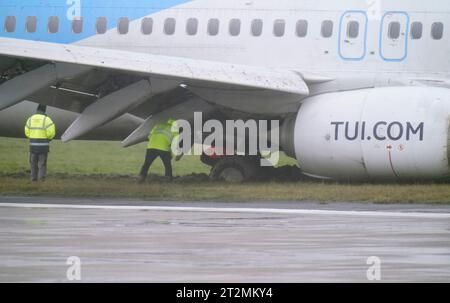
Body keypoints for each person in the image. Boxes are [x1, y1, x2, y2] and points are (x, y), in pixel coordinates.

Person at [24, 104, 56, 182]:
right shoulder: (47, 119)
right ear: (44, 110)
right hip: (43, 146)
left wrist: (32, 137)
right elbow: (51, 133)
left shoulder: (30, 119)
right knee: (42, 164)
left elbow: (26, 132)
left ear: (37, 109)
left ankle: (33, 179)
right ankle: (41, 179)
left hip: (33, 146)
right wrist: (48, 139)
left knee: (33, 163)